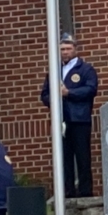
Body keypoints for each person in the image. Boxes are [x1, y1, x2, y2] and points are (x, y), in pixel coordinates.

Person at [38, 35, 97, 198]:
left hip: (79, 119)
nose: (65, 52)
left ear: (75, 50)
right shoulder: (54, 71)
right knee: (64, 157)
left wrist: (68, 93)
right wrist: (54, 99)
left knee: (83, 156)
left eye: (68, 49)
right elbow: (44, 94)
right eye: (62, 49)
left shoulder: (85, 69)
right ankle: (68, 191)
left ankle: (85, 191)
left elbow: (91, 90)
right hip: (61, 120)